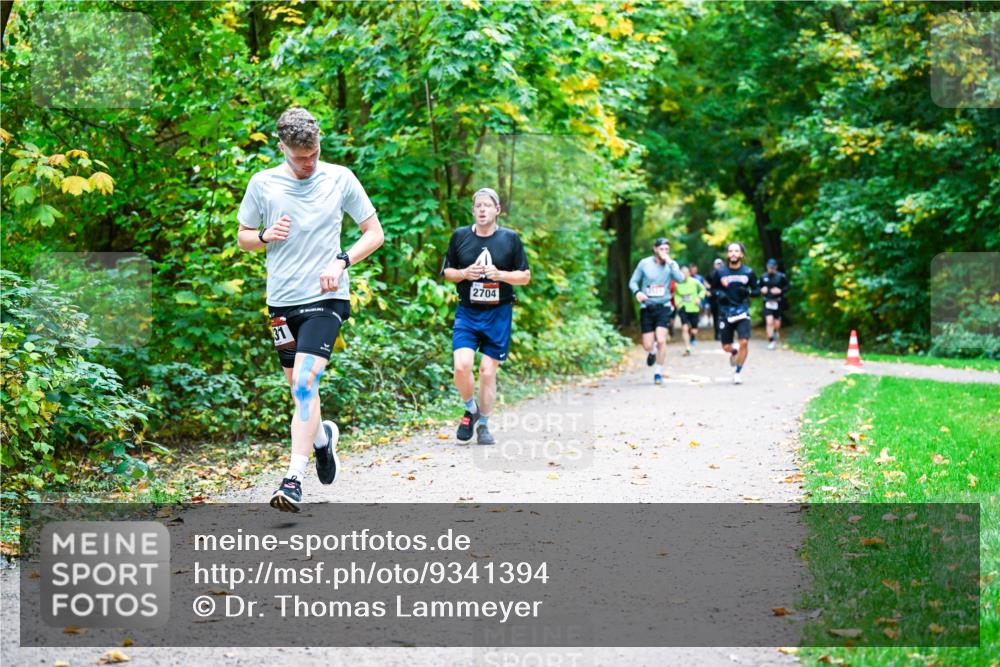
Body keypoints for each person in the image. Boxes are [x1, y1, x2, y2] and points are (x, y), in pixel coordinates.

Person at [237, 107, 385, 512]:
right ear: (282, 147)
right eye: (300, 157)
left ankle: (293, 480)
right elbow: (243, 237)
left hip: (327, 296)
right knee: (301, 391)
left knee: (305, 383)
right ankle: (322, 439)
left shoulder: (339, 178)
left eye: (314, 154)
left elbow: (375, 234)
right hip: (282, 301)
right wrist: (265, 235)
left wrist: (342, 261)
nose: (309, 163)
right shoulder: (263, 183)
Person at [442, 188, 531, 445]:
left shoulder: (510, 239)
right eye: (478, 206)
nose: (482, 210)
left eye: (487, 205)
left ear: (497, 209)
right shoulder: (460, 236)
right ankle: (470, 409)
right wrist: (464, 273)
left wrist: (500, 275)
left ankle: (484, 425)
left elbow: (524, 276)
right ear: (473, 211)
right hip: (468, 312)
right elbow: (448, 272)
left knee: (487, 372)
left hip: (498, 314)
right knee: (461, 366)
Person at [628, 238, 685, 385]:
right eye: (661, 249)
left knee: (661, 340)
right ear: (654, 249)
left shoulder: (671, 265)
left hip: (664, 307)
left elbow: (680, 279)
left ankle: (658, 372)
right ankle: (652, 352)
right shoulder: (644, 263)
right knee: (648, 345)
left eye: (667, 249)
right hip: (647, 307)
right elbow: (633, 281)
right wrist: (637, 292)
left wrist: (671, 262)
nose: (664, 252)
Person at [708, 243, 757, 384]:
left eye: (736, 251)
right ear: (727, 255)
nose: (733, 253)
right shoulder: (720, 273)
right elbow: (711, 290)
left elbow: (757, 291)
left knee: (744, 342)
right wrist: (719, 293)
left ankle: (738, 372)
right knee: (726, 347)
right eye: (730, 251)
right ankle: (734, 352)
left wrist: (747, 292)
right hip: (725, 312)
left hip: (742, 311)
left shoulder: (748, 272)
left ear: (742, 254)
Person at [674, 266, 707, 355]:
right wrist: (677, 303)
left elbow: (703, 290)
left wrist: (699, 298)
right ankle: (687, 348)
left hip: (694, 307)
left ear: (689, 273)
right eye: (682, 273)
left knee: (694, 330)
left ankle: (692, 336)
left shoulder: (695, 281)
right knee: (684, 328)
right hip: (683, 307)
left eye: (686, 273)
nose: (684, 275)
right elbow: (676, 294)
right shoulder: (677, 283)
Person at [759, 258, 789, 350]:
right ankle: (771, 341)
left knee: (777, 323)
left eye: (772, 267)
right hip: (767, 301)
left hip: (778, 301)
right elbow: (757, 287)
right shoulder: (763, 277)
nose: (770, 269)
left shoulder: (781, 276)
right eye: (769, 267)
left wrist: (780, 291)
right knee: (769, 322)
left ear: (776, 267)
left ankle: (775, 331)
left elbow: (788, 286)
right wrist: (761, 290)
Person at [707, 258, 724, 340]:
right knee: (716, 317)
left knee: (723, 316)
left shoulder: (725, 273)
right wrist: (709, 291)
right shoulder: (711, 274)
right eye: (717, 264)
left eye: (720, 264)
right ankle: (717, 333)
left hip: (724, 299)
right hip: (714, 299)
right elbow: (706, 284)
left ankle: (722, 333)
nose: (718, 265)